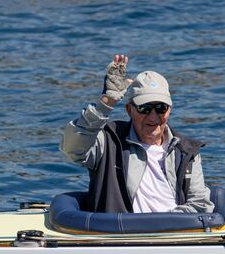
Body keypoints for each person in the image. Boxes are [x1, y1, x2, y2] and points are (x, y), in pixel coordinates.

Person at [60, 54, 214, 213]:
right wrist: (105, 105)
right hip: (121, 235)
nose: (153, 117)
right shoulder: (108, 141)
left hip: (173, 233)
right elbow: (72, 148)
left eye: (161, 108)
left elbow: (200, 205)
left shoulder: (187, 151)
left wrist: (162, 224)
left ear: (169, 110)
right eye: (144, 108)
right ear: (129, 110)